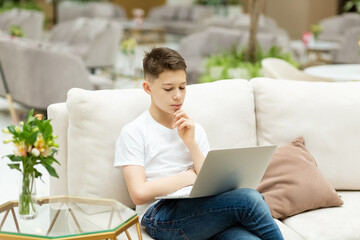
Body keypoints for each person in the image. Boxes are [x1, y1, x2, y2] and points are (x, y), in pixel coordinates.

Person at [114, 47, 284, 240]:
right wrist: (188, 178)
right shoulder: (134, 131)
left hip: (202, 209)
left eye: (182, 87)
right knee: (250, 199)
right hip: (159, 215)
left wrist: (191, 143)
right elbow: (139, 192)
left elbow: (209, 182)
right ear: (148, 88)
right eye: (168, 88)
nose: (177, 95)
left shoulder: (194, 129)